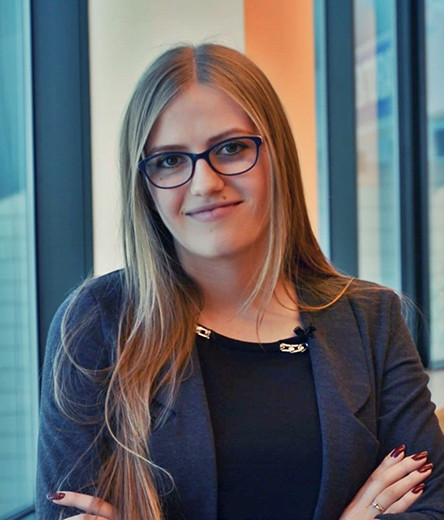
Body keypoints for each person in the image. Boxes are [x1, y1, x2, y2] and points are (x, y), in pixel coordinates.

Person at [36, 43, 444, 520]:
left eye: (231, 149)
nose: (205, 183)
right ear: (143, 184)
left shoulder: (370, 317)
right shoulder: (95, 323)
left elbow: (431, 505)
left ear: (277, 156)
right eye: (169, 160)